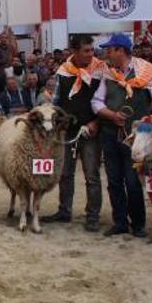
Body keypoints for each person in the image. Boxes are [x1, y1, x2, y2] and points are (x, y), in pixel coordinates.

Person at [92, 33, 152, 239]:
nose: (106, 54)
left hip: (139, 136)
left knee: (133, 180)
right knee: (113, 179)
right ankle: (120, 222)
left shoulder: (148, 71)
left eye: (109, 50)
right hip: (110, 132)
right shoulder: (107, 72)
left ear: (120, 50)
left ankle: (138, 223)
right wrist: (111, 115)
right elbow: (96, 102)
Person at [42, 34, 108, 232]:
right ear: (74, 52)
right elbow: (57, 99)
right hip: (68, 128)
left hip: (90, 129)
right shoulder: (64, 70)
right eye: (86, 50)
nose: (91, 54)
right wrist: (56, 121)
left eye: (91, 50)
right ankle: (64, 211)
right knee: (65, 173)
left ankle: (93, 216)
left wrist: (97, 122)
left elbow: (107, 100)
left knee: (91, 175)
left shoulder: (101, 70)